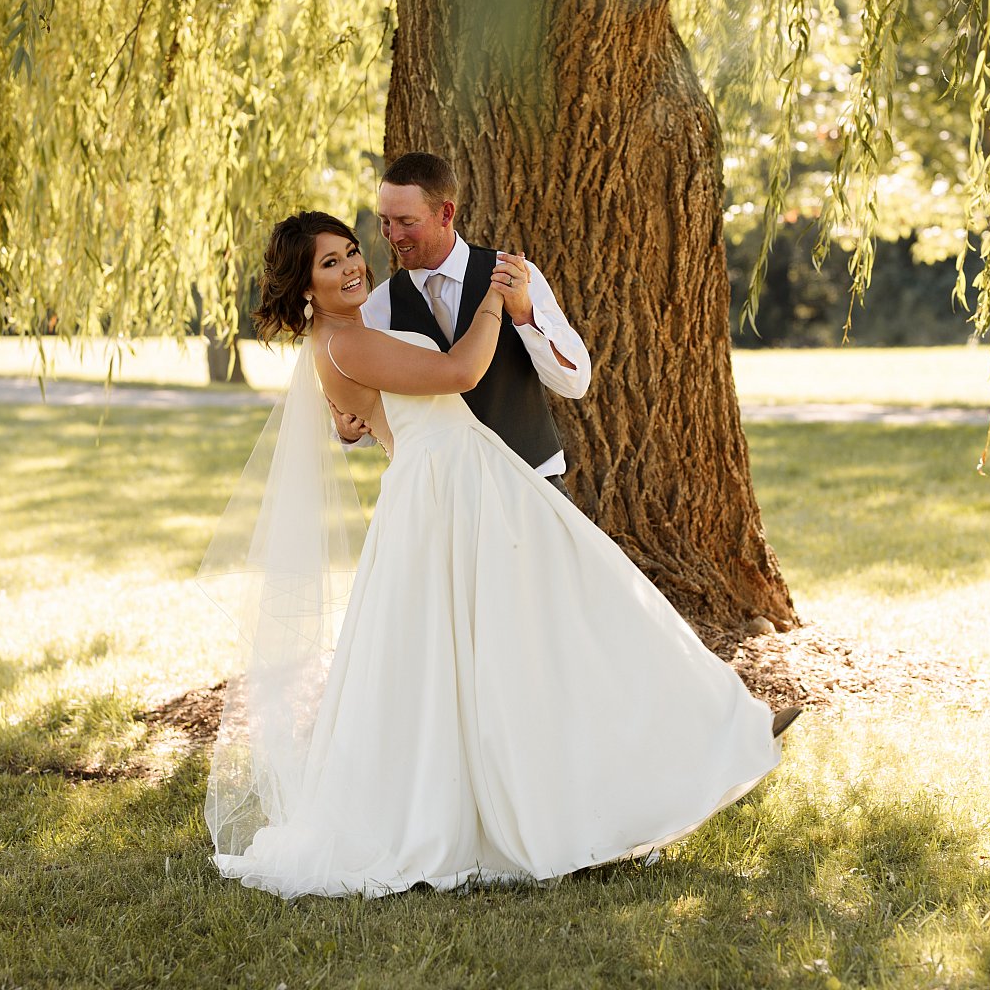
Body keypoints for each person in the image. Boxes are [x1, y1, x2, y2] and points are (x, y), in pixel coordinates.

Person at [201, 211, 798, 900]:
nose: (351, 268)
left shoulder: (352, 334)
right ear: (304, 286)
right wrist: (490, 299)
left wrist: (351, 419)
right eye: (328, 265)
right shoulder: (344, 343)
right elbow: (458, 371)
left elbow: (377, 412)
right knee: (533, 631)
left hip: (473, 481)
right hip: (446, 499)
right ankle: (668, 753)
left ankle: (711, 729)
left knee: (586, 601)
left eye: (350, 252)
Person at [335, 152, 589, 493]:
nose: (393, 236)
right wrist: (349, 432)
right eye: (385, 221)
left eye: (407, 221)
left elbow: (575, 383)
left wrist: (525, 314)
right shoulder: (377, 309)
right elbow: (377, 422)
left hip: (532, 486)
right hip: (442, 498)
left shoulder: (514, 275)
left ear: (446, 213)